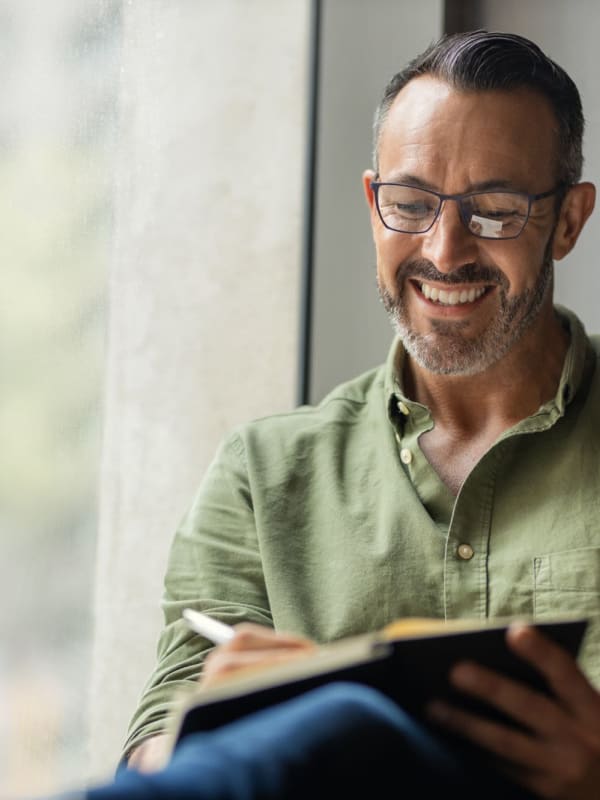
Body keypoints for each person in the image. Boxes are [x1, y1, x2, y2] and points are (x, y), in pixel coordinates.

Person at [121, 29, 600, 799]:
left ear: (569, 221)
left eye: (497, 211)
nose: (445, 252)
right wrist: (225, 716)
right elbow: (153, 748)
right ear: (374, 205)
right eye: (411, 204)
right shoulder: (262, 474)